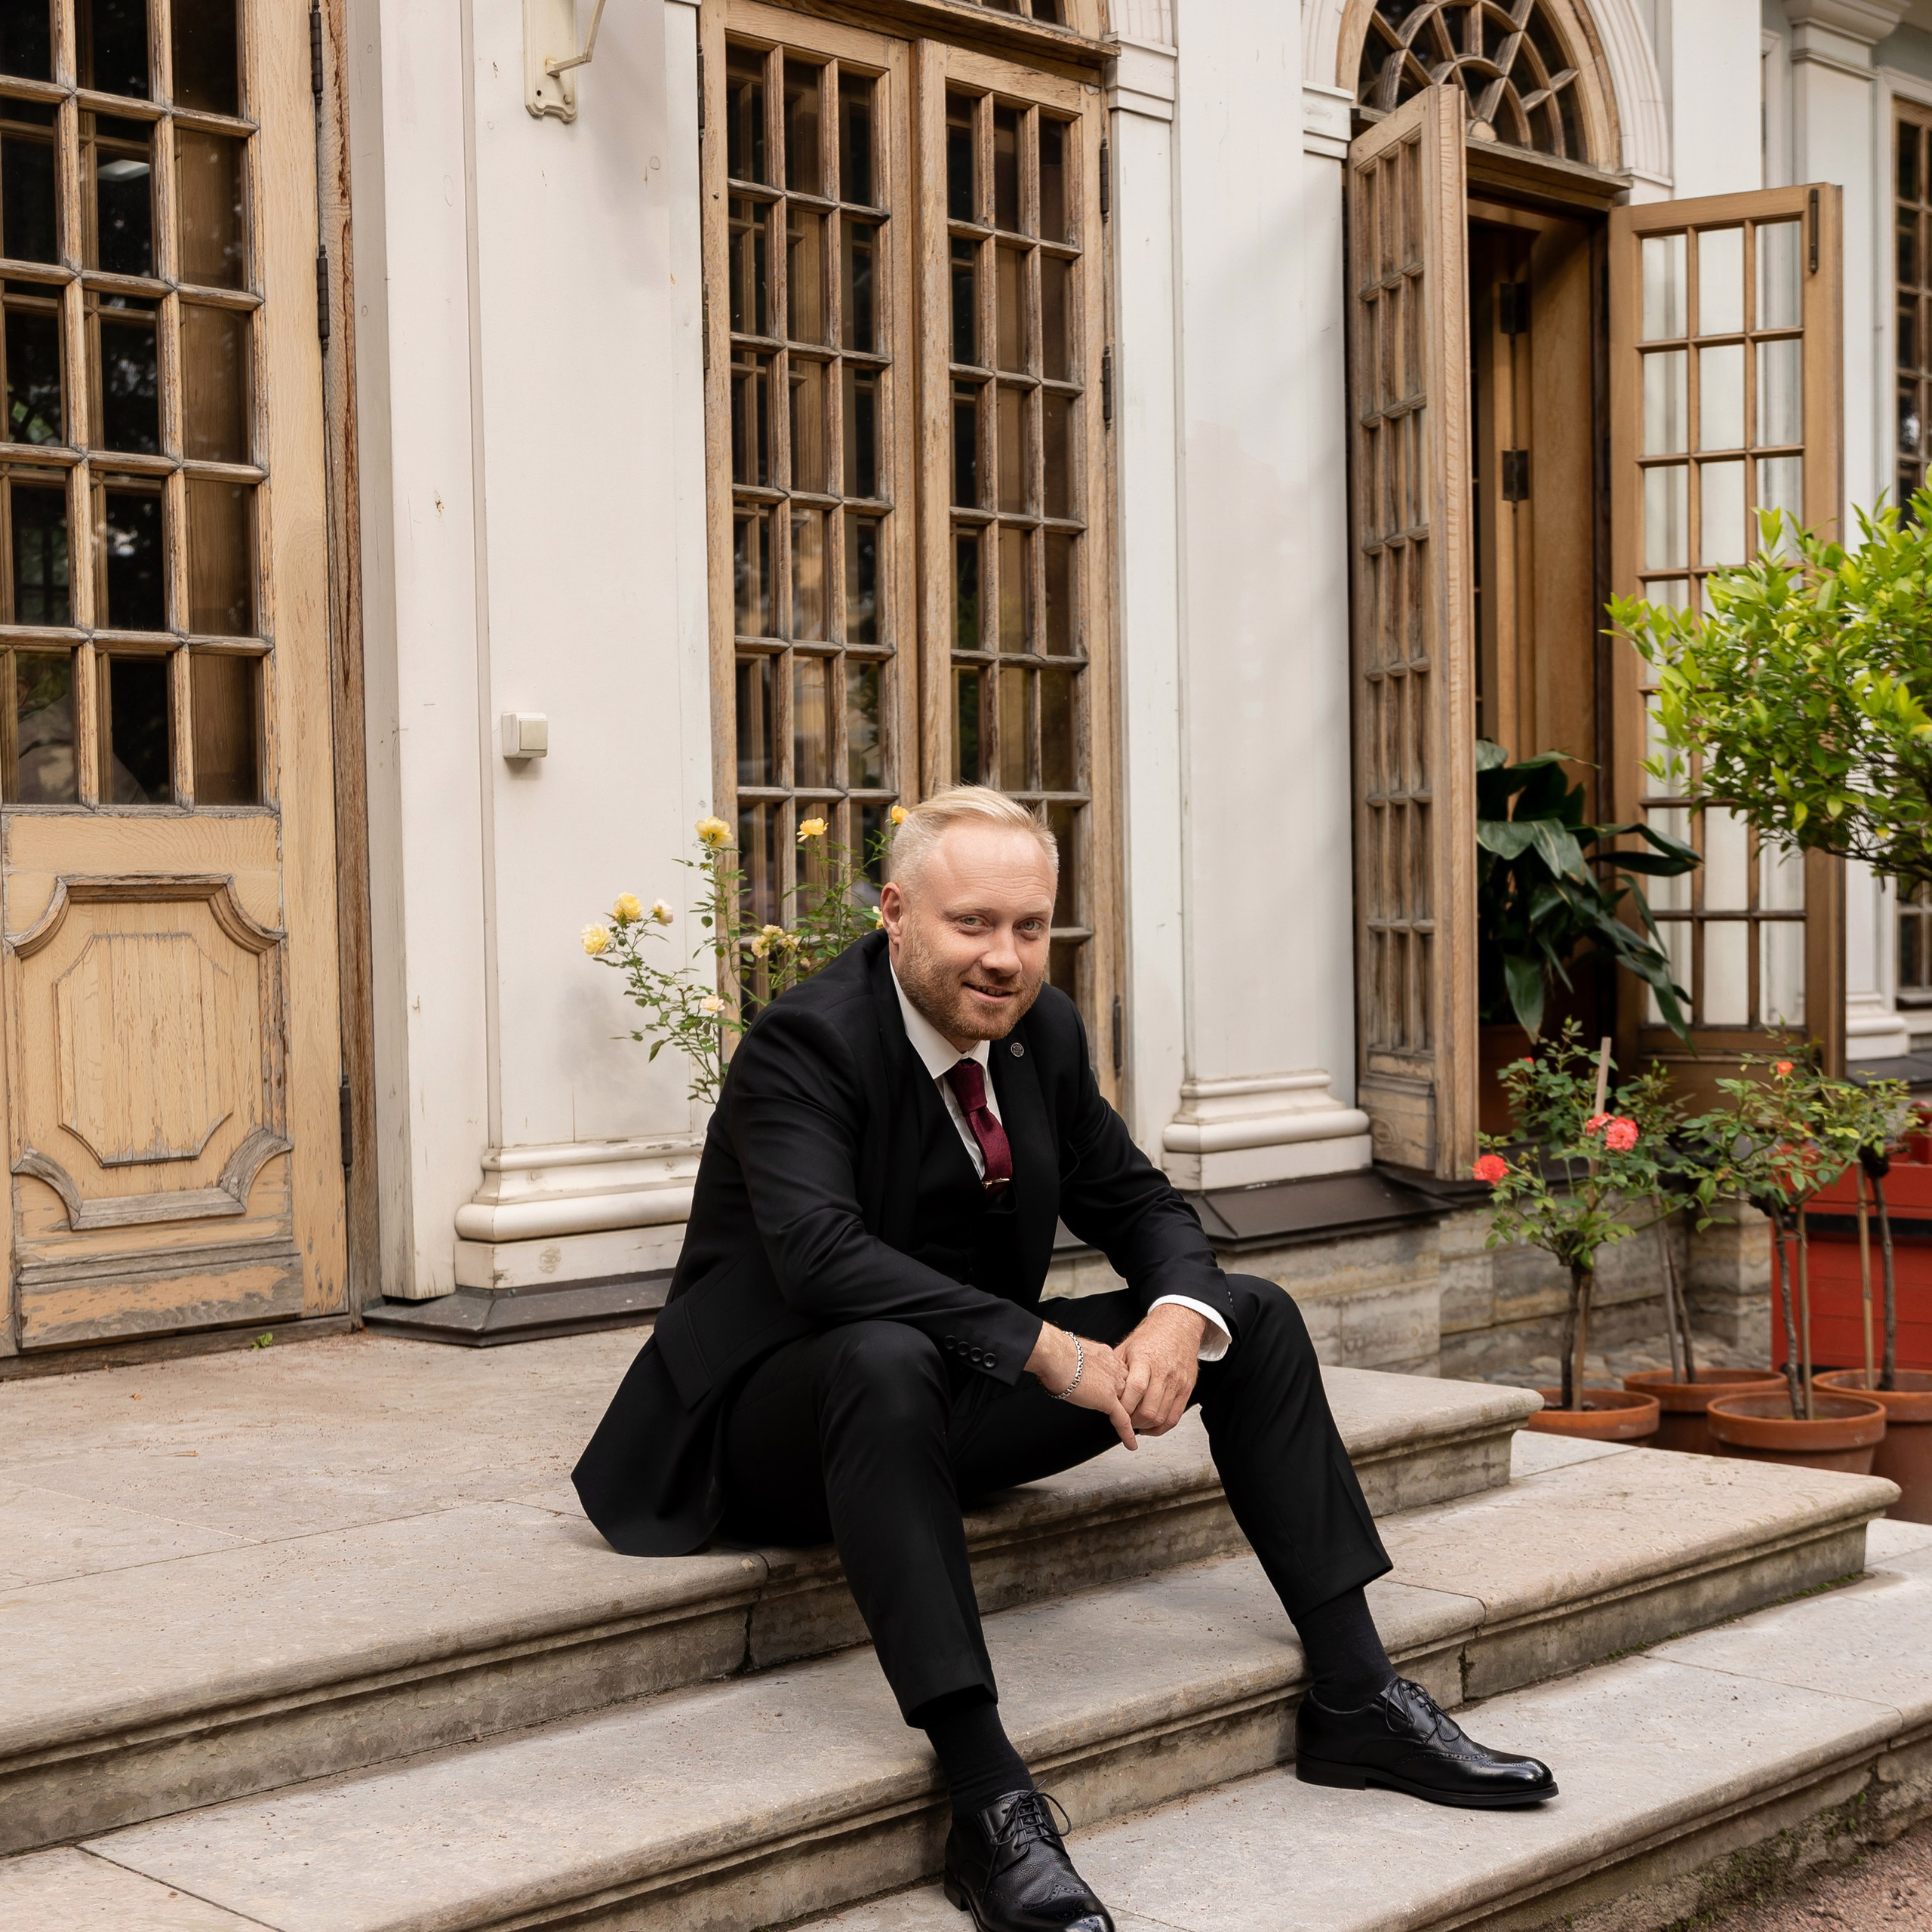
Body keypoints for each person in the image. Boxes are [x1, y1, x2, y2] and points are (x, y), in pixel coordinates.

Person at [575, 787, 1555, 1932]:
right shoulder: (808, 1041)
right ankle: (989, 1806)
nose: (1005, 957)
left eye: (1030, 927)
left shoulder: (1043, 1032)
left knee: (1256, 1313)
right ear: (896, 913)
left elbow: (1136, 1199)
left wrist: (1176, 1318)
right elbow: (818, 1258)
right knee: (882, 1360)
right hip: (768, 1421)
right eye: (973, 923)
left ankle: (1356, 1696)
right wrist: (1048, 1348)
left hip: (953, 1391)